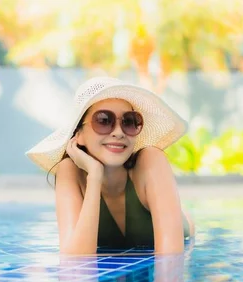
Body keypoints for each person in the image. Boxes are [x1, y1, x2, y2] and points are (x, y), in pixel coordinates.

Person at [26, 76, 194, 255]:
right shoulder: (70, 171)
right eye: (104, 120)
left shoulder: (151, 161)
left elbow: (171, 259)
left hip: (182, 229)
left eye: (128, 121)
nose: (118, 132)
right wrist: (94, 176)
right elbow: (74, 260)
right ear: (79, 135)